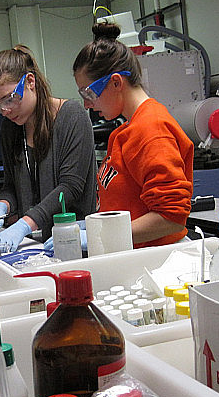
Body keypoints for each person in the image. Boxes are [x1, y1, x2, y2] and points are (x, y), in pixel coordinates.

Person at [72, 22, 194, 248]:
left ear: (116, 82)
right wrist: (95, 226)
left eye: (89, 92)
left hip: (160, 262)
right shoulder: (125, 132)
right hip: (137, 257)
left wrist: (101, 237)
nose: (87, 104)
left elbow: (171, 218)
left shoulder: (151, 129)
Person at [0, 45, 96, 252]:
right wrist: (1, 208)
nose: (5, 110)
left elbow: (70, 187)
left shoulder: (71, 116)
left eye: (9, 98)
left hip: (74, 244)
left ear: (30, 82)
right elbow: (11, 186)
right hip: (36, 247)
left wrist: (24, 224)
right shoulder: (10, 128)